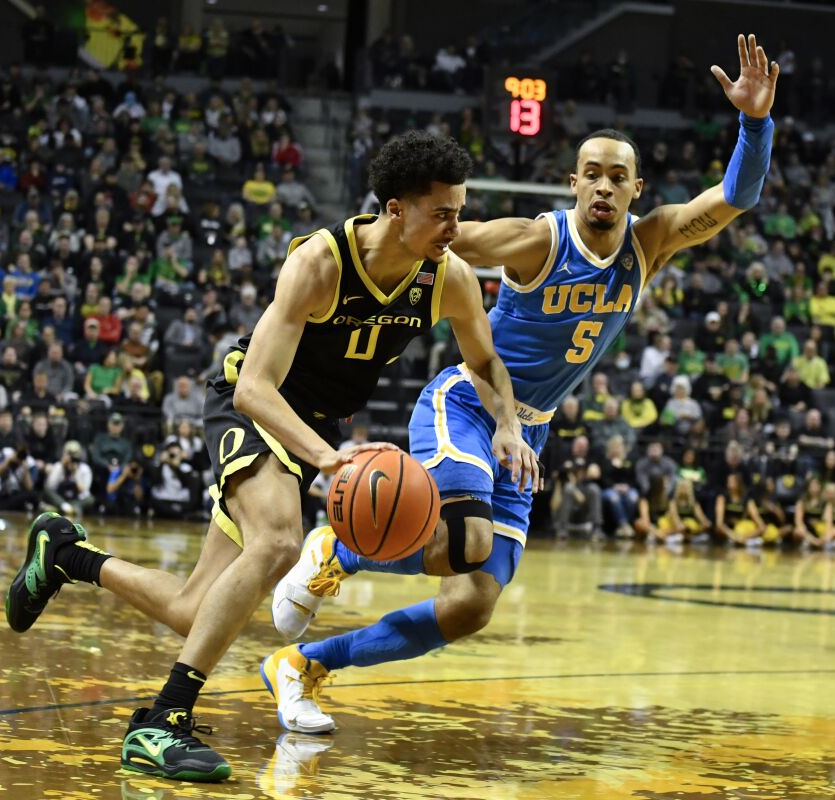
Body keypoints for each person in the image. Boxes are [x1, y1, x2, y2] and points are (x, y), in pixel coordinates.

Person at [264, 33, 779, 733]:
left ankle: (305, 666)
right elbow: (432, 239)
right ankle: (336, 552)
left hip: (530, 428)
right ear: (572, 183)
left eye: (616, 176)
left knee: (472, 602)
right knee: (466, 537)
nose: (602, 184)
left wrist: (754, 121)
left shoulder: (649, 242)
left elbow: (737, 195)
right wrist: (345, 257)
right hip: (469, 403)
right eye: (590, 172)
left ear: (635, 189)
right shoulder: (537, 239)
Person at [2, 130, 536, 781]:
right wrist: (328, 457)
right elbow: (255, 386)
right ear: (396, 209)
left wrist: (507, 423)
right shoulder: (321, 262)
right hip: (251, 401)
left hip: (312, 427)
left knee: (195, 611)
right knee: (281, 538)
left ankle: (65, 554)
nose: (457, 227)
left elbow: (483, 361)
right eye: (442, 213)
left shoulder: (447, 279)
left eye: (459, 210)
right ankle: (161, 721)